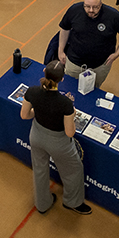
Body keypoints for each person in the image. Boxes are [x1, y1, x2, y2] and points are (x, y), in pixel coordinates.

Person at [20, 62, 90, 216]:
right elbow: (70, 133)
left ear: (44, 71)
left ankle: (42, 204)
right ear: (62, 79)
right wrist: (73, 114)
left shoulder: (32, 92)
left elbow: (25, 115)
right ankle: (72, 202)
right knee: (73, 169)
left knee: (39, 169)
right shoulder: (65, 104)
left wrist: (38, 114)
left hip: (36, 135)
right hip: (58, 142)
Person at [56, 0, 119, 90]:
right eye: (87, 6)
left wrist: (117, 54)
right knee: (69, 87)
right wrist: (60, 50)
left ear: (101, 4)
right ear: (83, 3)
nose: (91, 10)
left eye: (95, 7)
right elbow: (64, 29)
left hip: (100, 66)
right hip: (74, 63)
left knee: (93, 90)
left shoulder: (113, 16)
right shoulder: (74, 10)